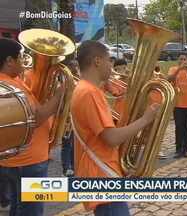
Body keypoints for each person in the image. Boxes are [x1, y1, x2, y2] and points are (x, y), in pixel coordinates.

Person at [71, 41, 159, 215]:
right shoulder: (90, 92)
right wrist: (145, 119)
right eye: (108, 61)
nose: (111, 66)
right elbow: (111, 138)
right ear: (97, 61)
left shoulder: (84, 89)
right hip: (102, 176)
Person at [0, 38, 64, 216]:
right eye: (20, 57)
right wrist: (59, 94)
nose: (24, 61)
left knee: (18, 207)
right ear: (9, 61)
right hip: (28, 162)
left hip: (19, 161)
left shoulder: (12, 81)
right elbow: (36, 119)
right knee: (30, 211)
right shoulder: (9, 85)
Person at [167, 55, 187, 158]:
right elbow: (169, 79)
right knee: (179, 126)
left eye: (185, 59)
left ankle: (186, 150)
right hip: (177, 103)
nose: (183, 61)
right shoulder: (173, 69)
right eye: (181, 59)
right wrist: (178, 69)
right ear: (178, 60)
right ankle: (178, 149)